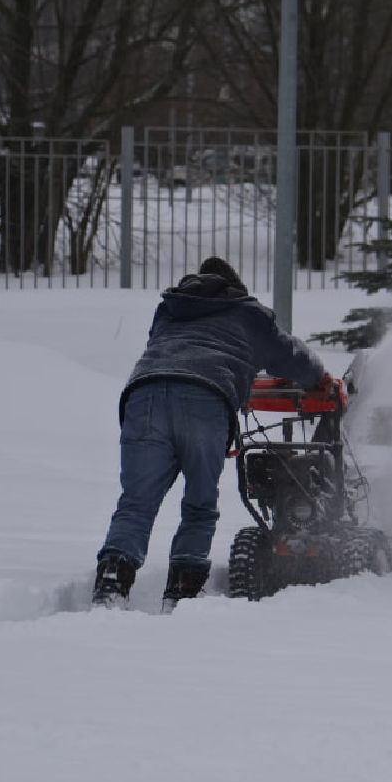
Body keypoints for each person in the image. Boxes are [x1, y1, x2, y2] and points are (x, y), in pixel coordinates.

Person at [95, 256, 330, 611]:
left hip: (144, 396)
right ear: (235, 287)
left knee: (136, 502)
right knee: (200, 503)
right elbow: (290, 356)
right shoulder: (249, 313)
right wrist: (321, 380)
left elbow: (177, 353)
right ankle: (181, 591)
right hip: (204, 399)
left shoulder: (170, 309)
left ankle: (111, 583)